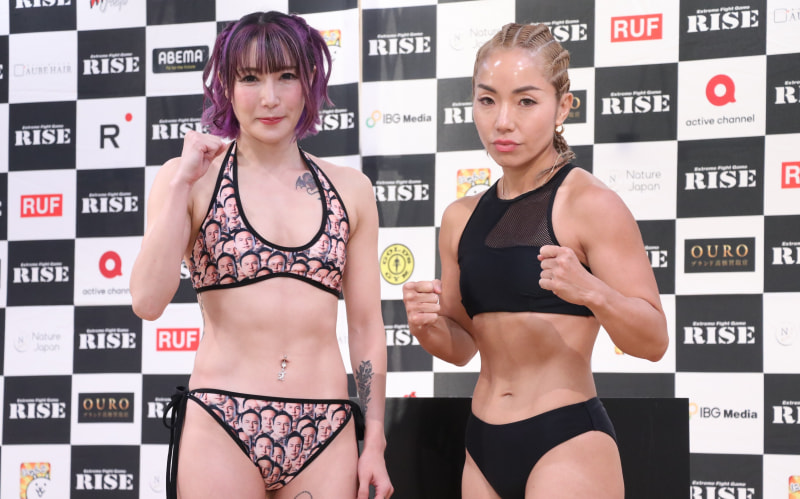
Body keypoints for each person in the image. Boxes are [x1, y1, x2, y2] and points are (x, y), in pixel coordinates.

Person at [130, 10, 392, 499]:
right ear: (226, 87)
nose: (269, 98)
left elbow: (365, 326)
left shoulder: (351, 189)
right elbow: (147, 301)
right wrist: (181, 183)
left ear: (309, 81)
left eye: (286, 76)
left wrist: (374, 437)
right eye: (250, 78)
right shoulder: (190, 179)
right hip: (221, 422)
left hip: (325, 428)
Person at [402, 23, 668, 499]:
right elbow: (462, 346)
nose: (503, 121)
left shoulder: (589, 203)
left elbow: (653, 341)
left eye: (525, 101)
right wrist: (427, 327)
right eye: (487, 100)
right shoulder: (460, 217)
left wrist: (593, 292)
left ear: (562, 107)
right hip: (481, 444)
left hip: (564, 439)